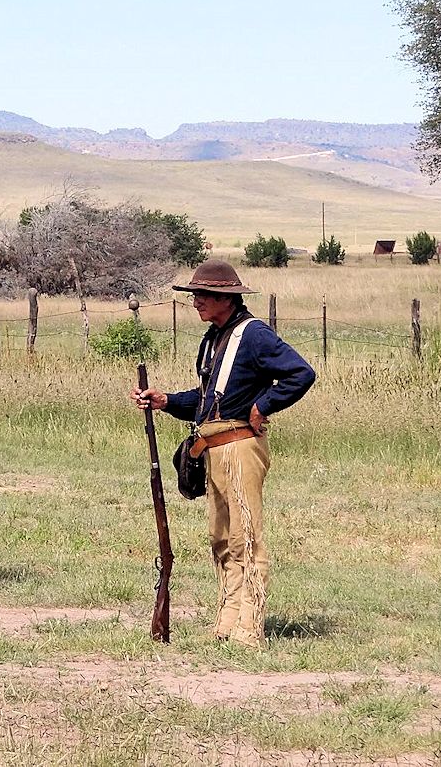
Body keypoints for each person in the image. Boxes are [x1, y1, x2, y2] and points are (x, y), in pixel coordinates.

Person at [131, 259, 315, 648]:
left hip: (239, 446)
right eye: (196, 295)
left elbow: (301, 373)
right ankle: (228, 622)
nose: (196, 302)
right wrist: (165, 401)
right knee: (221, 537)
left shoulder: (254, 334)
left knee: (245, 536)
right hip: (213, 447)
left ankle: (250, 628)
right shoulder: (215, 337)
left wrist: (264, 406)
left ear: (225, 299)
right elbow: (207, 400)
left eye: (203, 295)